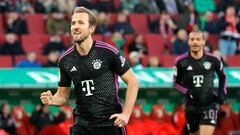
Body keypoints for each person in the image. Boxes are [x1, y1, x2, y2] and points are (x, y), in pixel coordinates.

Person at [40, 6, 139, 135]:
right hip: (82, 126)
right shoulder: (65, 60)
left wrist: (126, 114)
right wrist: (53, 100)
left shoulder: (108, 52)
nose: (75, 26)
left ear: (91, 28)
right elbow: (62, 96)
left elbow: (133, 82)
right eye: (73, 23)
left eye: (81, 23)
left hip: (110, 124)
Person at [173, 30, 227, 135]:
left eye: (198, 39)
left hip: (209, 105)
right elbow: (176, 83)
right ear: (188, 42)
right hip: (191, 107)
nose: (195, 42)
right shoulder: (180, 61)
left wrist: (221, 93)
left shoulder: (213, 60)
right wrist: (187, 91)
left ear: (203, 42)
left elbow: (223, 77)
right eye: (192, 39)